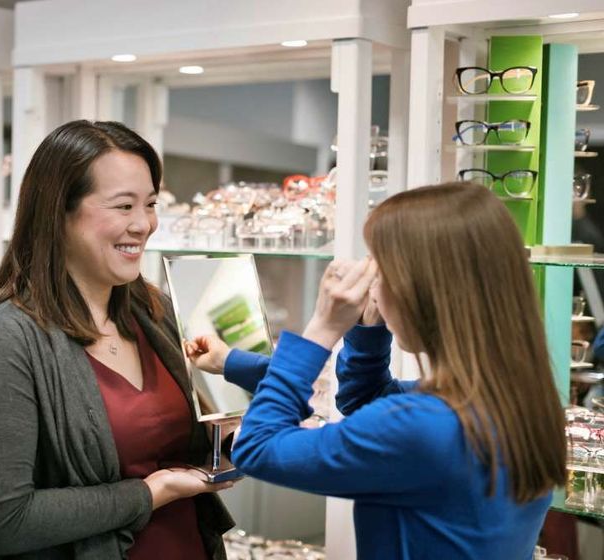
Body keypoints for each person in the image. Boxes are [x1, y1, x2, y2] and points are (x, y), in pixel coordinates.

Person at [187, 182, 566, 559]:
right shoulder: (516, 401)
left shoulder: (424, 428)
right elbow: (366, 403)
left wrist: (322, 328)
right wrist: (367, 331)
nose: (373, 289)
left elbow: (258, 447)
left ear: (422, 291)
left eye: (380, 273)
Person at [0, 120, 233, 560]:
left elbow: (183, 443)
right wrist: (149, 494)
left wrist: (239, 435)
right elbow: (1, 521)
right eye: (123, 206)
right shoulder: (5, 338)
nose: (144, 224)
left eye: (151, 204)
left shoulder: (153, 311)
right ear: (59, 212)